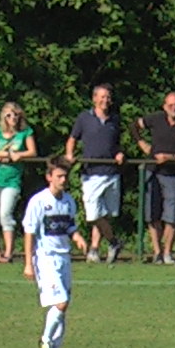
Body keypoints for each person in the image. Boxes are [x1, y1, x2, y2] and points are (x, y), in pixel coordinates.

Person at [23, 157, 88, 348]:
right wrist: (28, 263)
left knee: (63, 306)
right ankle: (45, 340)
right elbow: (29, 232)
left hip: (64, 257)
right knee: (61, 302)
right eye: (59, 176)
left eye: (65, 176)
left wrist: (77, 237)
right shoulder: (39, 201)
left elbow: (69, 226)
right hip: (46, 258)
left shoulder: (68, 201)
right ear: (49, 177)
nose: (63, 180)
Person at [135, 91, 175, 265]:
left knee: (171, 215)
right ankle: (157, 252)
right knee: (152, 213)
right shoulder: (155, 119)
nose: (174, 108)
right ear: (164, 107)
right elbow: (134, 126)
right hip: (152, 171)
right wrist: (142, 144)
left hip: (173, 175)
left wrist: (170, 158)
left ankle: (168, 252)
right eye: (170, 105)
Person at [66, 84, 125, 264]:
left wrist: (119, 153)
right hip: (91, 173)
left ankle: (94, 249)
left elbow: (117, 144)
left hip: (111, 173)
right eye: (102, 97)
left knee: (105, 215)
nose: (105, 100)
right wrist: (69, 154)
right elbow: (72, 139)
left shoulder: (115, 120)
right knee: (93, 214)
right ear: (94, 99)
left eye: (108, 97)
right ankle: (114, 242)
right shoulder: (84, 118)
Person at [0, 101, 38, 264]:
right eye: (9, 115)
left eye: (16, 115)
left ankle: (8, 253)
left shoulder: (25, 132)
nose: (13, 118)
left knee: (5, 215)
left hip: (12, 180)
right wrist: (5, 154)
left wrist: (19, 155)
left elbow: (32, 152)